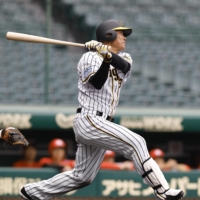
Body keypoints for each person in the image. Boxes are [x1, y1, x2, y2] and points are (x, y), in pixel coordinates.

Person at [19, 19, 184, 200]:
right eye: (120, 33)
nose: (124, 37)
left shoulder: (125, 57)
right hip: (89, 120)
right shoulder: (89, 57)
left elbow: (124, 66)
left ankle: (32, 192)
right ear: (109, 35)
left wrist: (107, 56)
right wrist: (104, 59)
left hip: (102, 123)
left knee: (83, 176)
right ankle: (162, 190)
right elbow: (97, 83)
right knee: (137, 143)